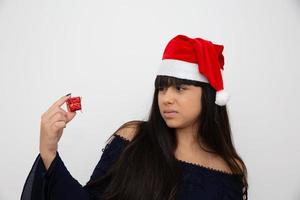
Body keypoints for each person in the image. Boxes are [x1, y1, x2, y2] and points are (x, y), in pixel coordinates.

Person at [21, 34, 248, 200]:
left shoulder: (229, 169)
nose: (166, 98)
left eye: (180, 88)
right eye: (161, 88)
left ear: (208, 96)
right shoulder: (132, 138)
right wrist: (48, 151)